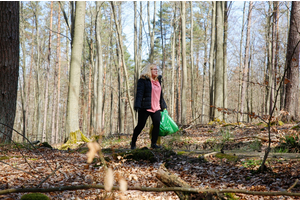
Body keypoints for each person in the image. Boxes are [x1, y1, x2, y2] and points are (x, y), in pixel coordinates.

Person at [130, 63, 167, 149]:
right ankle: (133, 141)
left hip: (156, 107)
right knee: (140, 125)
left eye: (157, 69)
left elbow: (160, 95)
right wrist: (137, 105)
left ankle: (153, 144)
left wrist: (163, 105)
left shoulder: (158, 81)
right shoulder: (143, 80)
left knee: (157, 124)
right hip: (145, 107)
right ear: (149, 71)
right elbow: (139, 93)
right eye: (154, 69)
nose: (156, 71)